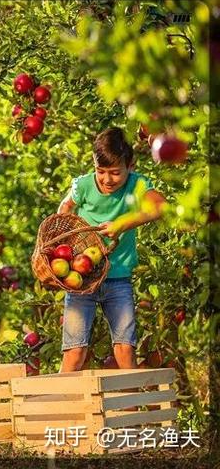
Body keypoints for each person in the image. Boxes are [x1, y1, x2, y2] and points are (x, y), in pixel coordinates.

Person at [57, 127, 166, 372]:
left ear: (131, 165)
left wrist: (123, 223)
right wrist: (65, 244)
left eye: (116, 172)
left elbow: (161, 207)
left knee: (125, 350)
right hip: (81, 279)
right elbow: (65, 207)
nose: (107, 179)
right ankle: (57, 406)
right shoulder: (84, 185)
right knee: (75, 353)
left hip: (118, 280)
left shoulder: (137, 185)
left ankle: (132, 408)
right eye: (101, 171)